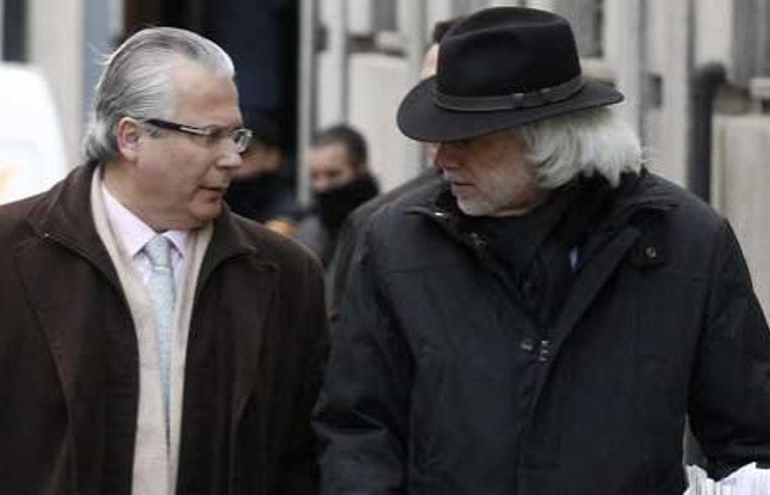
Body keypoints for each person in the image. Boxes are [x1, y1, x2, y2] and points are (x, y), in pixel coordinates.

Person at [314, 7, 770, 495]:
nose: (441, 158)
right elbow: (358, 430)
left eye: (467, 139)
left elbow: (751, 441)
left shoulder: (687, 241)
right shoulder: (395, 242)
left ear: (549, 141)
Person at [0, 27, 326, 495]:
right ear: (131, 137)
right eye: (209, 136)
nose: (231, 159)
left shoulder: (285, 274)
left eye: (236, 136)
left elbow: (303, 460)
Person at [326, 17, 461, 318]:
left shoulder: (576, 220)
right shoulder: (374, 227)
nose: (431, 108)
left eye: (447, 91)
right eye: (425, 90)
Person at [294, 124, 378, 266]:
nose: (321, 185)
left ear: (361, 170)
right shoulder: (309, 231)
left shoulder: (385, 226)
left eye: (333, 174)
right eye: (314, 176)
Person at [224, 109, 299, 230]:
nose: (234, 161)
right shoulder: (210, 208)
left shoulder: (287, 216)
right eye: (227, 153)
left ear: (273, 157)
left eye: (245, 153)